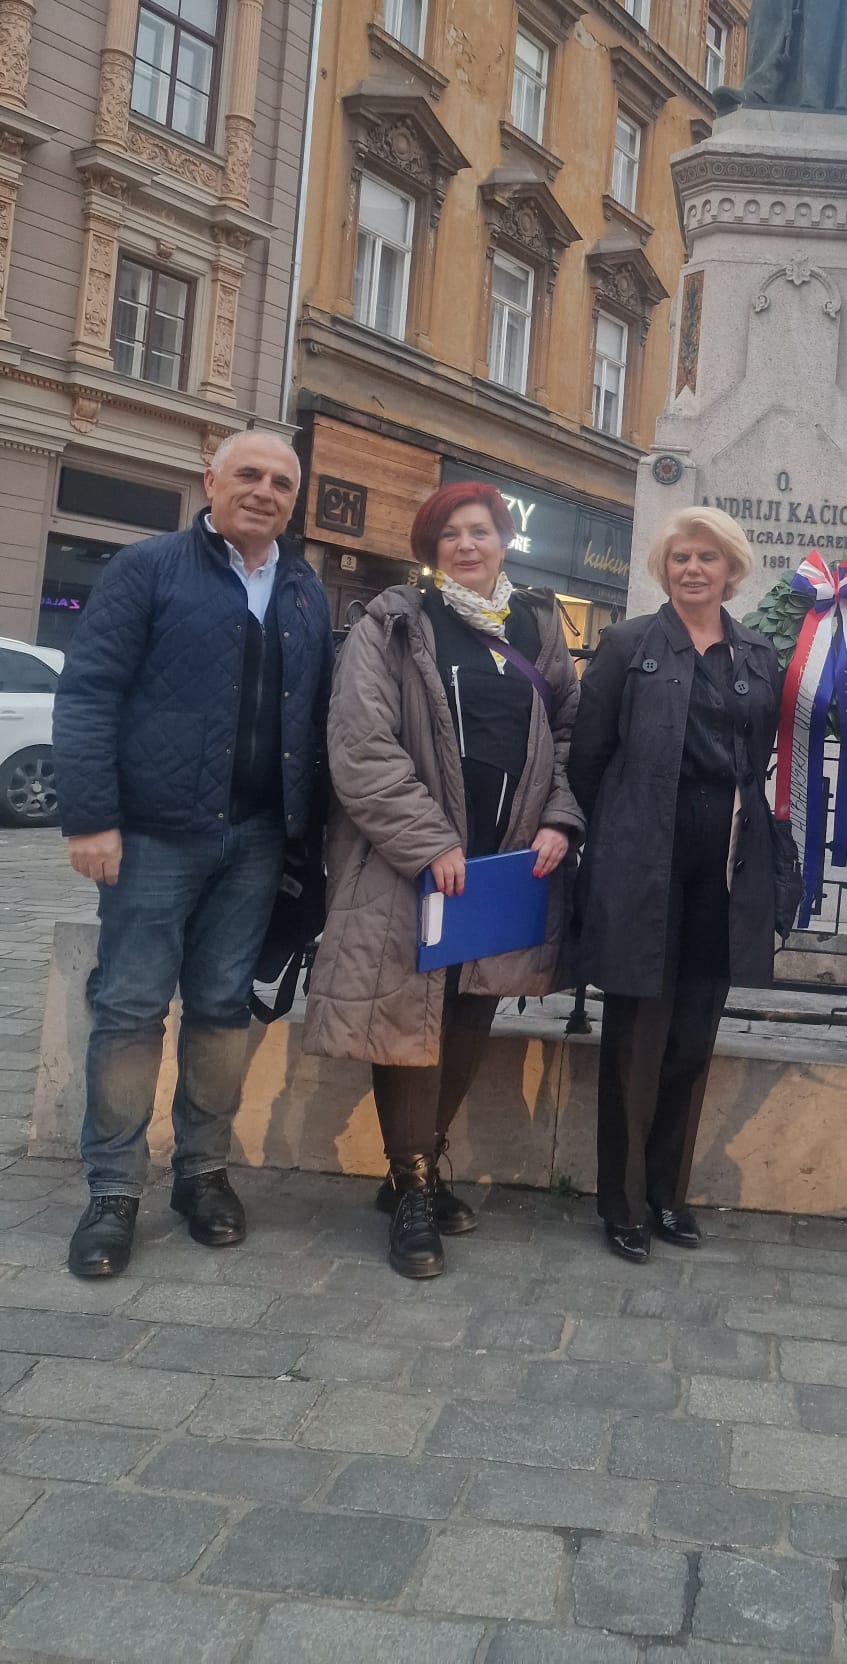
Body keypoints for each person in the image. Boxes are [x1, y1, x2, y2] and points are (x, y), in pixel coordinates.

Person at [54, 432, 333, 1280]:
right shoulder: (148, 568)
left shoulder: (303, 589)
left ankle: (202, 1173)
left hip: (256, 839)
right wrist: (90, 817)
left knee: (220, 1010)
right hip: (151, 834)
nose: (264, 490)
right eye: (248, 474)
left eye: (281, 481)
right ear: (209, 479)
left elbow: (315, 715)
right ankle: (113, 1191)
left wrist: (307, 832)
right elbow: (89, 691)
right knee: (131, 1009)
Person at [302, 483, 582, 1279]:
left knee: (469, 1012)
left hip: (503, 861)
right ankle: (415, 1191)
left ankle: (411, 1173)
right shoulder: (394, 623)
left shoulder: (536, 626)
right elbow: (361, 743)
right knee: (408, 1017)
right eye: (451, 534)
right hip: (410, 862)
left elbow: (571, 730)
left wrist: (559, 817)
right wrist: (427, 842)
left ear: (503, 540)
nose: (467, 544)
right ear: (430, 549)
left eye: (481, 531)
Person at [569, 508, 783, 1264]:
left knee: (694, 1034)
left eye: (707, 558)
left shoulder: (757, 653)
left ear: (731, 570)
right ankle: (622, 1202)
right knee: (637, 1036)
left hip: (722, 865)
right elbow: (588, 757)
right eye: (682, 557)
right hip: (643, 861)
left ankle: (668, 1192)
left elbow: (759, 755)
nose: (693, 569)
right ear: (664, 568)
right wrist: (616, 834)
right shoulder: (628, 645)